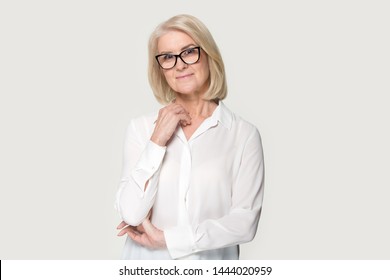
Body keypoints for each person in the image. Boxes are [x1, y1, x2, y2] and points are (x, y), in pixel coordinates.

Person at [115, 14, 265, 260]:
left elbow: (245, 222)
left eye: (189, 52)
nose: (180, 65)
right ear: (160, 69)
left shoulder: (243, 135)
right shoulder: (141, 129)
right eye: (167, 57)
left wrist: (169, 240)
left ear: (208, 55)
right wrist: (157, 142)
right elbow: (131, 214)